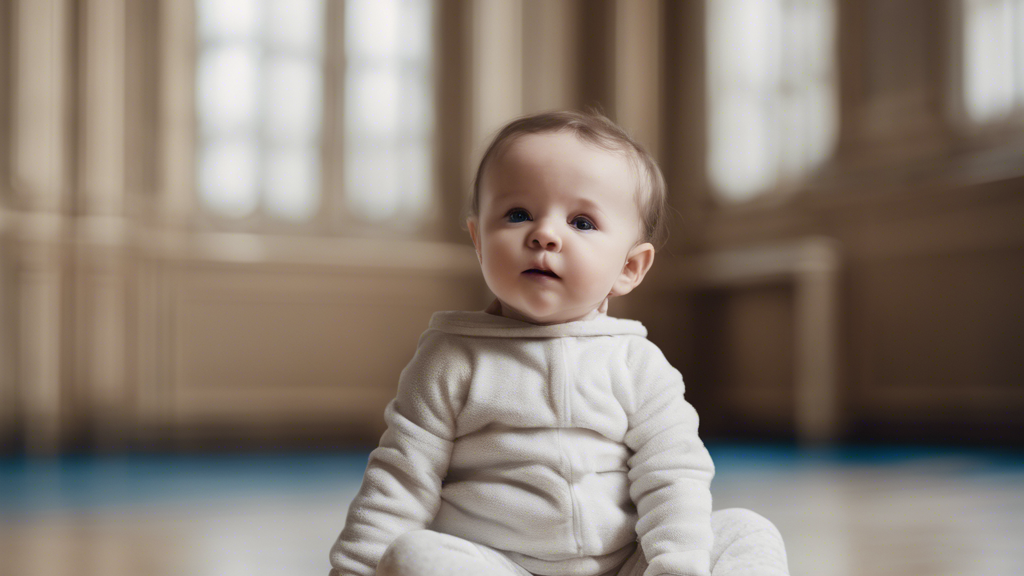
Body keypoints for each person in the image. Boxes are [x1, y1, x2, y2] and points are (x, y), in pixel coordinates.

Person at [329, 111, 789, 576]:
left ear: (629, 268)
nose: (544, 234)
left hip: (626, 565)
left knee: (748, 532)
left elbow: (673, 477)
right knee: (414, 558)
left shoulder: (638, 364)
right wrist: (354, 570)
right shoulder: (451, 358)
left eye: (582, 222)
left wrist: (676, 567)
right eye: (517, 214)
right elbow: (401, 479)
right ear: (479, 241)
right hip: (499, 565)